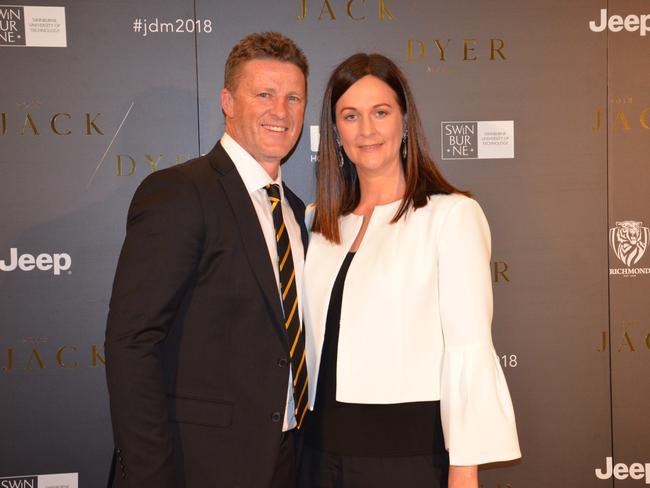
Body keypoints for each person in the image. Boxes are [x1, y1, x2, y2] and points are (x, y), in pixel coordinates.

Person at [300, 53, 521, 488]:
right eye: (350, 116)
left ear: (404, 121)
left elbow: (469, 347)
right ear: (335, 133)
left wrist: (464, 469)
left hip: (407, 460)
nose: (367, 130)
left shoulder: (450, 216)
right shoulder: (317, 222)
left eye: (380, 112)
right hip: (315, 456)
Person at [105, 32, 310, 488]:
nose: (281, 111)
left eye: (294, 97)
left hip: (287, 458)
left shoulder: (295, 212)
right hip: (197, 466)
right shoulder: (180, 192)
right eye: (264, 94)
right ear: (228, 101)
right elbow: (133, 343)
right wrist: (151, 476)